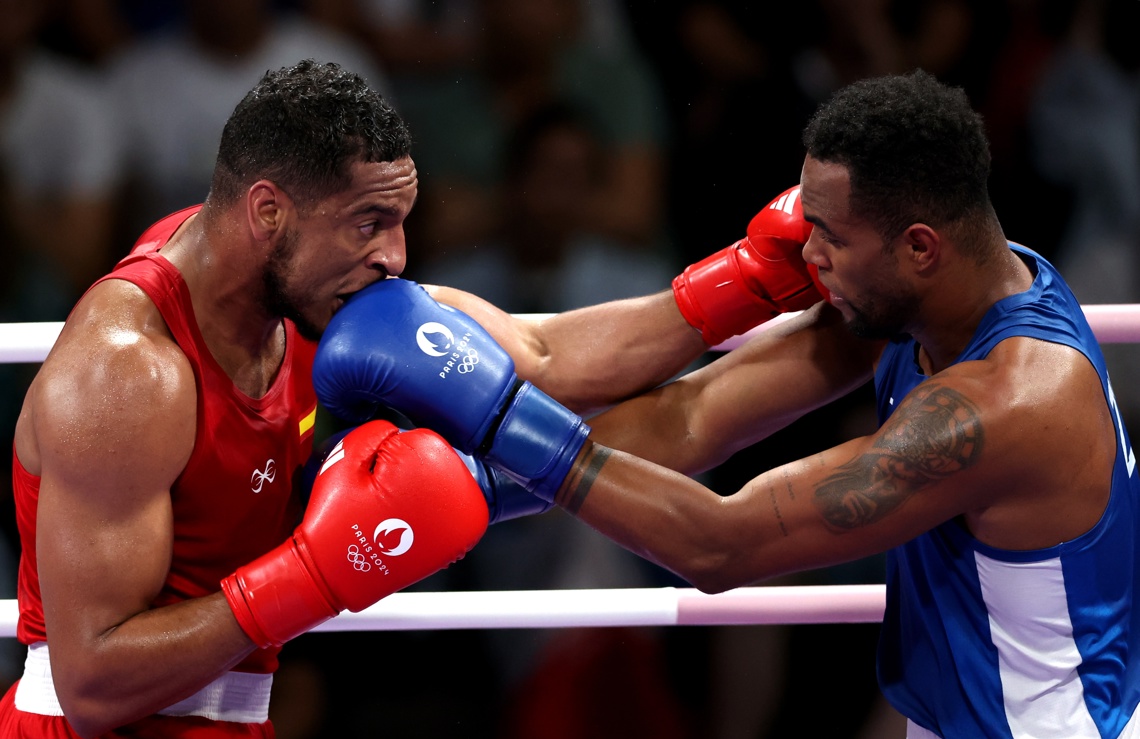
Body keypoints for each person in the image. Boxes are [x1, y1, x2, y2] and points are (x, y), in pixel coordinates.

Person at [312, 70, 1140, 739]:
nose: (807, 254)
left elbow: (722, 545)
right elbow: (691, 418)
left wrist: (498, 420)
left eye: (830, 236)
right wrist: (478, 487)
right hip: (962, 714)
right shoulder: (930, 295)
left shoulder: (1004, 404)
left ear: (920, 246)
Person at [0, 59, 517, 738]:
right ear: (268, 213)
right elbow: (92, 685)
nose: (396, 255)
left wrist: (699, 306)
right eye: (368, 223)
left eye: (399, 222)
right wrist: (314, 573)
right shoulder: (128, 372)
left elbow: (540, 358)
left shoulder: (289, 296)